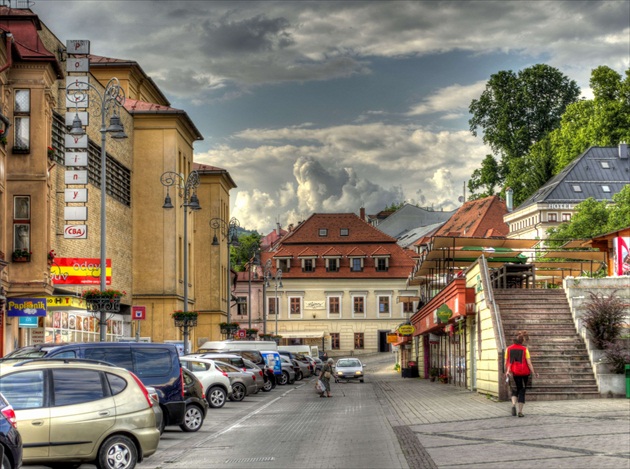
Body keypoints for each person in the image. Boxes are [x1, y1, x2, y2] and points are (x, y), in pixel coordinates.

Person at [505, 330, 538, 417]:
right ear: (522, 341)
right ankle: (520, 411)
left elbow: (506, 362)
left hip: (513, 372)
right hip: (524, 373)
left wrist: (507, 371)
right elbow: (529, 363)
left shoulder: (508, 349)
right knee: (522, 391)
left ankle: (513, 405)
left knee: (515, 389)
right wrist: (534, 372)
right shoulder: (525, 349)